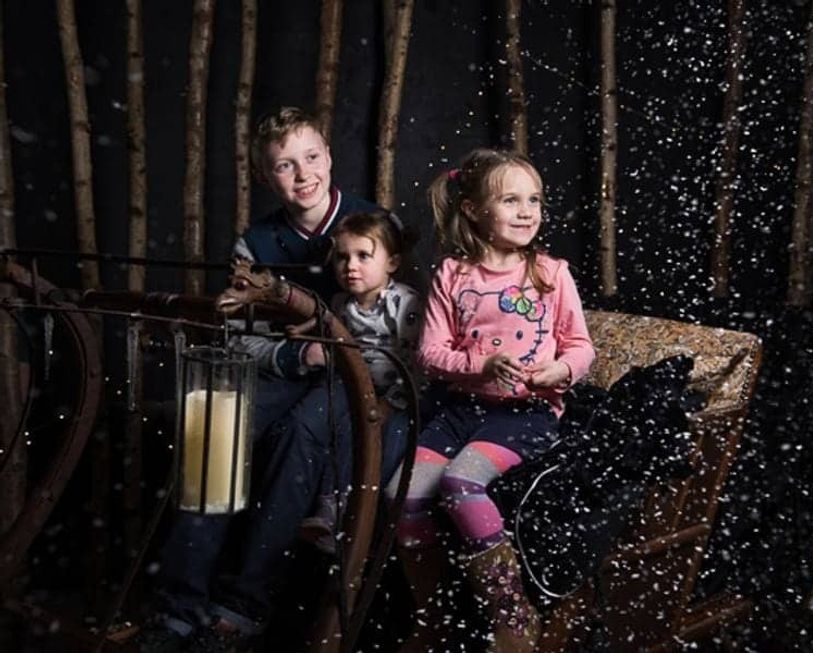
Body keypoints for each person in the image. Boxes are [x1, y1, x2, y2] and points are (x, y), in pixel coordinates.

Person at [136, 107, 387, 652]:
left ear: (329, 154)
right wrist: (298, 358)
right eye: (284, 166)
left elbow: (399, 319)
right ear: (264, 176)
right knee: (216, 432)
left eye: (311, 157)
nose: (303, 175)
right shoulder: (255, 245)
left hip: (352, 381)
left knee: (300, 438)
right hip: (287, 370)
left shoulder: (372, 225)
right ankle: (178, 607)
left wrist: (343, 358)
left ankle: (241, 608)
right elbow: (239, 337)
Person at [383, 148, 595, 653]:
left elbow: (581, 347)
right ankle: (433, 613)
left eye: (535, 200)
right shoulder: (453, 275)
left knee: (460, 483)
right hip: (461, 412)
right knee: (401, 494)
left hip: (525, 412)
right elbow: (432, 353)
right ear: (475, 210)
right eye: (511, 200)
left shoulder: (549, 273)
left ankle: (512, 614)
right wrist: (481, 365)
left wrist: (559, 370)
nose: (528, 211)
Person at [298, 210, 423, 553]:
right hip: (353, 386)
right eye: (342, 257)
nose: (350, 266)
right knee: (335, 431)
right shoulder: (340, 304)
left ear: (392, 262)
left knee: (390, 442)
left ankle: (360, 516)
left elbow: (416, 364)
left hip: (396, 394)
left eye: (363, 256)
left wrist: (391, 401)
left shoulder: (405, 302)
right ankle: (328, 507)